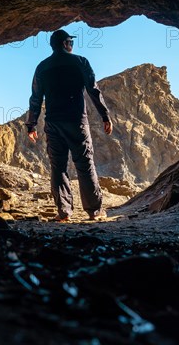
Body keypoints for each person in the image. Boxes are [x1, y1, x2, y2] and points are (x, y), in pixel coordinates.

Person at [26, 29, 113, 222]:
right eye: (70, 42)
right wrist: (105, 115)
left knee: (58, 167)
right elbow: (94, 90)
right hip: (76, 122)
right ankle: (94, 211)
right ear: (65, 44)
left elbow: (35, 98)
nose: (72, 46)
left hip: (53, 123)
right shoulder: (80, 62)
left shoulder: (42, 67)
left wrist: (31, 125)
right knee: (84, 164)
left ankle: (64, 212)